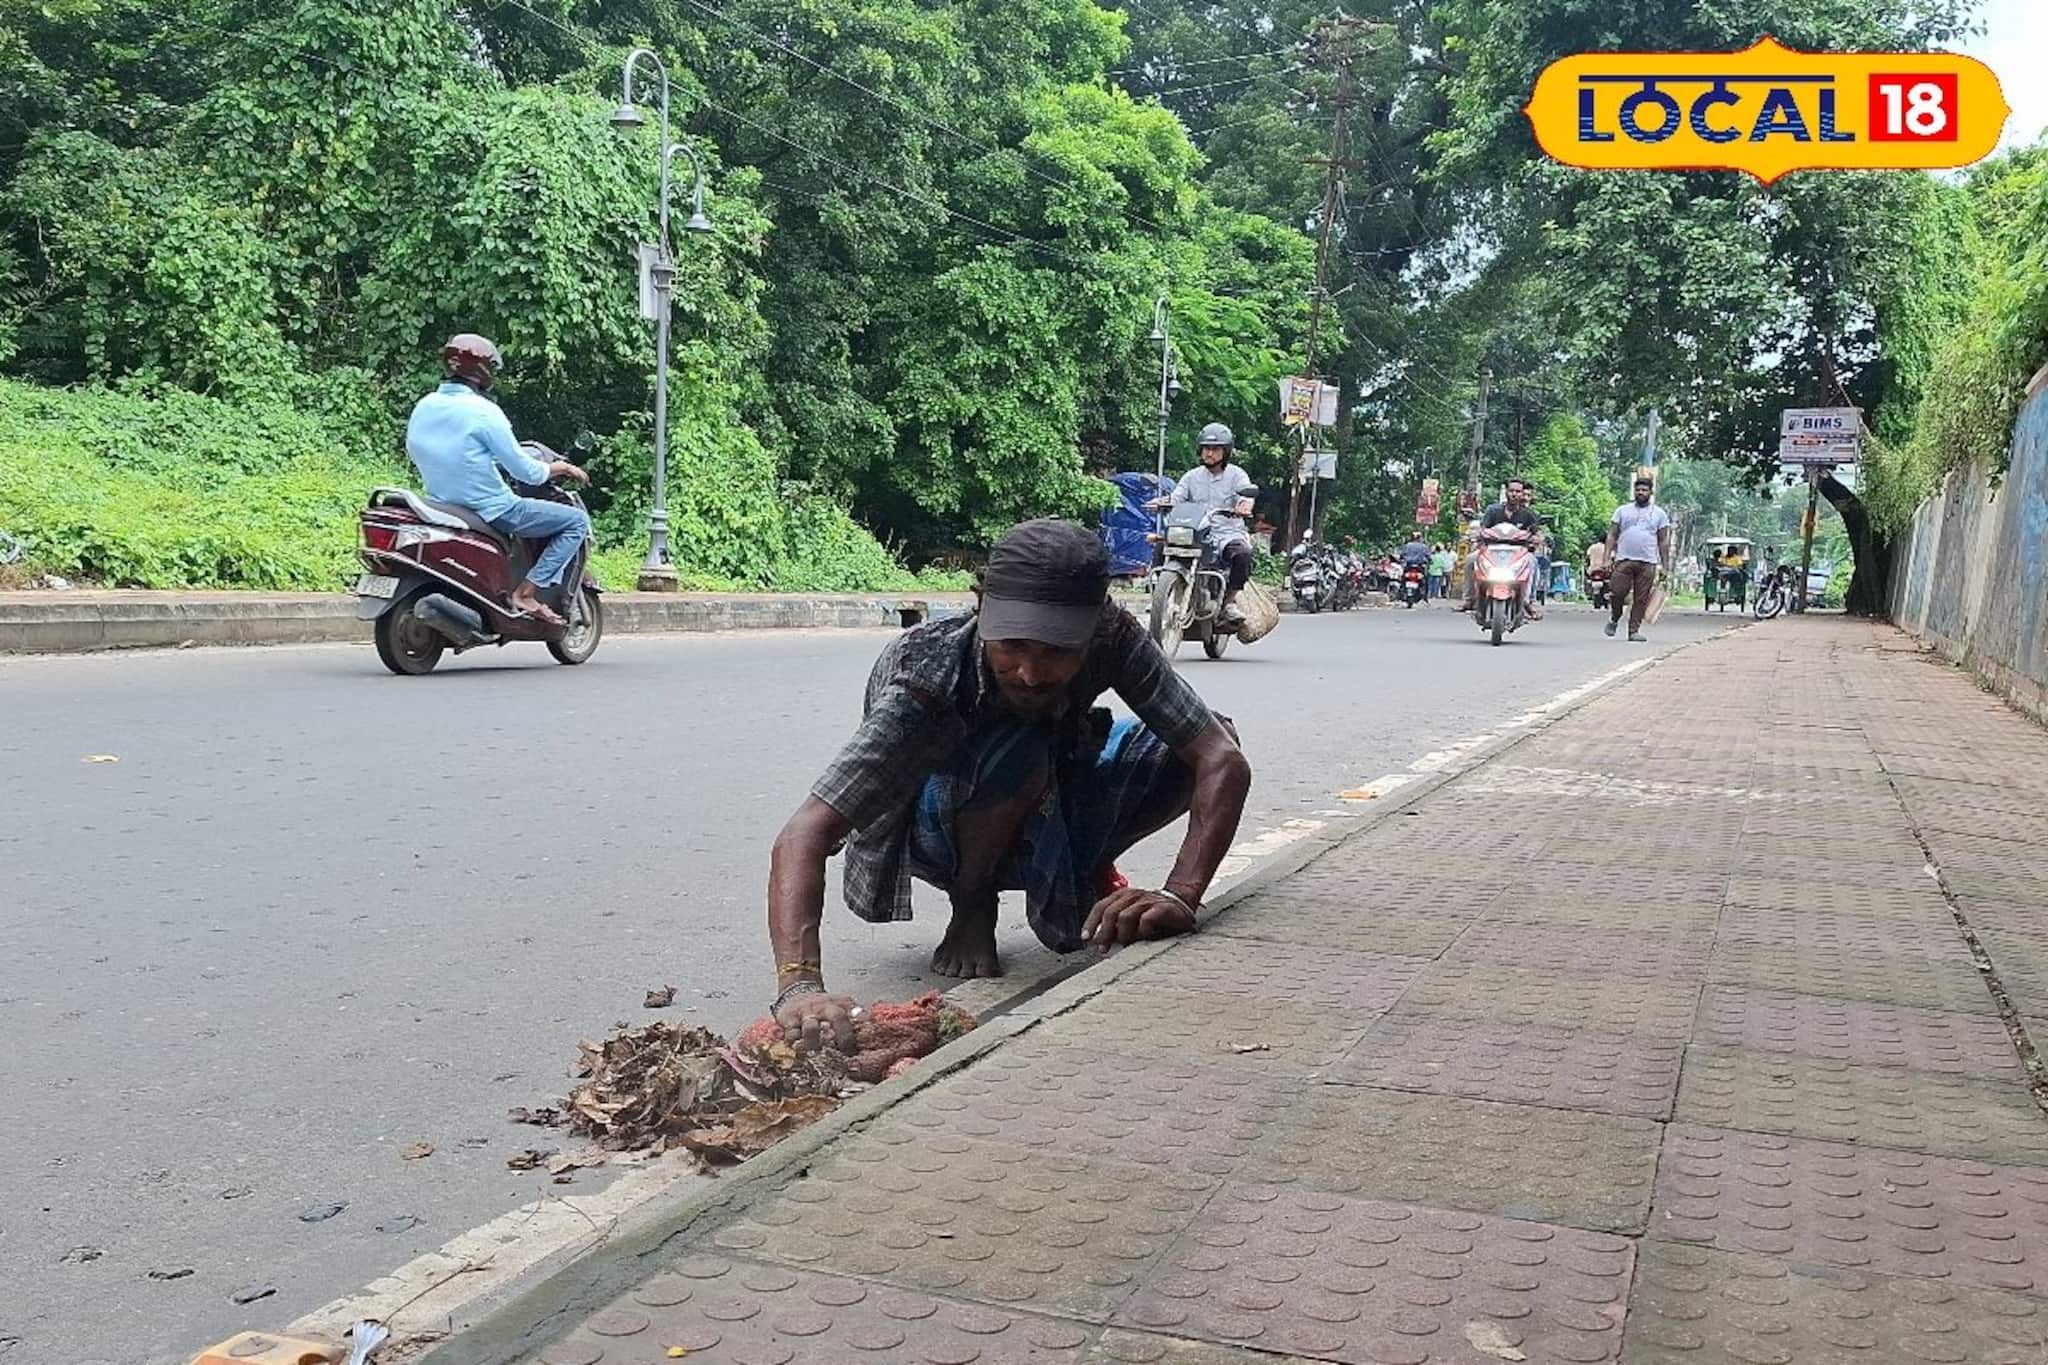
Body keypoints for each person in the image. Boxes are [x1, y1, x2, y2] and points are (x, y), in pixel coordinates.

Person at [766, 519, 1253, 1049]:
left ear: (1095, 627)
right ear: (981, 609)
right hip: (935, 823)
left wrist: (1181, 895)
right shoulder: (926, 675)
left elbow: (1220, 760)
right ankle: (973, 899)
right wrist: (799, 984)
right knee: (1019, 742)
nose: (1030, 672)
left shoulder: (1113, 635)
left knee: (1211, 737)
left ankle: (1081, 866)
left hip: (1055, 780)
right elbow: (806, 831)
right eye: (1012, 645)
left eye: (1058, 651)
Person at [404, 334, 589, 625]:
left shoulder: (425, 405)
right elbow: (527, 472)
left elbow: (419, 449)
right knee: (576, 521)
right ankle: (526, 593)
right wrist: (562, 468)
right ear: (483, 369)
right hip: (493, 509)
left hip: (442, 505)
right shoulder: (484, 412)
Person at [1154, 422, 1255, 624]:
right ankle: (1159, 596)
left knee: (1243, 554)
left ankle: (1229, 602)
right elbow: (1177, 497)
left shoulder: (1237, 475)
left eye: (1215, 449)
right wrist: (1162, 502)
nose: (1209, 453)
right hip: (1196, 531)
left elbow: (1246, 495)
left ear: (1226, 452)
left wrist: (1244, 505)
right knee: (1161, 545)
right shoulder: (1191, 477)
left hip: (1227, 532)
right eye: (1206, 449)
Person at [1604, 475, 1673, 642]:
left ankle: (1633, 630)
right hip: (1624, 559)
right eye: (1638, 490)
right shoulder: (1622, 511)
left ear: (1651, 492)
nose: (1641, 492)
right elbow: (1612, 535)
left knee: (1641, 598)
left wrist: (1665, 566)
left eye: (1644, 490)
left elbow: (1663, 541)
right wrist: (1606, 558)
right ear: (1634, 492)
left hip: (1648, 562)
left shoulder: (1659, 514)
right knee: (1617, 592)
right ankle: (1615, 617)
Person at [1462, 478, 1544, 618]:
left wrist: (1537, 539)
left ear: (1522, 494)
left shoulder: (1528, 514)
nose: (1514, 494)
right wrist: (1475, 534)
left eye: (1518, 491)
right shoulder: (1493, 511)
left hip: (1518, 554)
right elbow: (1482, 528)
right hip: (1491, 551)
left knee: (1532, 562)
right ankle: (1469, 599)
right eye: (1511, 491)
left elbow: (1537, 533)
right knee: (1471, 559)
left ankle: (1529, 601)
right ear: (1506, 492)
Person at [1398, 531, 1432, 601]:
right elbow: (1428, 556)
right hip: (1419, 566)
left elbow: (1402, 555)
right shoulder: (1423, 546)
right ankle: (1425, 596)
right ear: (1419, 538)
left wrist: (1402, 559)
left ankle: (1401, 592)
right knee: (1425, 579)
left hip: (1409, 566)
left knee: (1403, 579)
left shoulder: (1407, 546)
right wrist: (1429, 561)